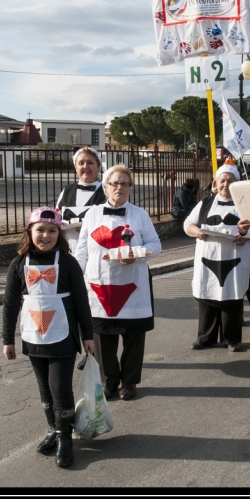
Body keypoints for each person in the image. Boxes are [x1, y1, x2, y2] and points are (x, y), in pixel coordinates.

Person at [2, 206, 94, 468]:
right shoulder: (18, 264)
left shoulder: (68, 262)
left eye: (52, 231)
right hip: (33, 336)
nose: (45, 235)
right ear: (29, 232)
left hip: (62, 335)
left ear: (59, 234)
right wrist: (7, 339)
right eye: (40, 230)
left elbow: (81, 301)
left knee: (59, 388)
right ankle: (54, 429)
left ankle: (66, 436)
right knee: (44, 390)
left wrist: (87, 335)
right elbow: (10, 305)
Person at [75, 165, 162, 401]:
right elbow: (81, 251)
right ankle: (108, 380)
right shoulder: (91, 214)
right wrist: (74, 281)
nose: (119, 188)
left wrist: (135, 252)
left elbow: (156, 245)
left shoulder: (140, 215)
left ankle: (130, 381)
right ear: (105, 187)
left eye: (125, 183)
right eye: (115, 183)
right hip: (99, 285)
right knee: (103, 339)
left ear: (131, 188)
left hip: (132, 286)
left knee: (133, 337)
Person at [184, 160, 250, 351]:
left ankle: (231, 339)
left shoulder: (247, 205)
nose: (225, 184)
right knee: (207, 296)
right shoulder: (205, 203)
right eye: (222, 180)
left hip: (235, 257)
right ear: (216, 182)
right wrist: (196, 232)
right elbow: (188, 223)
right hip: (208, 257)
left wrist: (246, 234)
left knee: (232, 298)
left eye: (230, 181)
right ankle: (206, 337)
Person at [55, 147, 106, 253]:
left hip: (97, 251)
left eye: (90, 162)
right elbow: (56, 218)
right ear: (75, 167)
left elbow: (117, 220)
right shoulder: (67, 191)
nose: (85, 166)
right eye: (81, 163)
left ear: (98, 166)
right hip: (70, 251)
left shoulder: (107, 190)